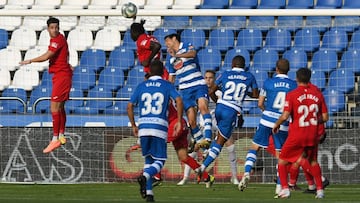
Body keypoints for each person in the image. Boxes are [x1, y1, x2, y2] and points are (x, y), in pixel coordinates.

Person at [196, 55, 259, 186]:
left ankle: (206, 149)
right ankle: (203, 167)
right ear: (244, 65)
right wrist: (243, 94)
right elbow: (255, 95)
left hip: (220, 108)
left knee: (219, 137)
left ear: (232, 64)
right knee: (220, 142)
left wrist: (217, 100)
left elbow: (212, 89)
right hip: (231, 112)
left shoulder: (226, 74)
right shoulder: (249, 76)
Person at [238, 59, 297, 194]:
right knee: (280, 155)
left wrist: (266, 112)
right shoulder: (293, 85)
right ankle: (279, 185)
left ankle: (246, 173)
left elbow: (259, 103)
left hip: (266, 119)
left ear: (276, 69)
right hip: (282, 122)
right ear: (288, 70)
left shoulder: (268, 82)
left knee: (255, 147)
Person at [127, 60, 183, 202]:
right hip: (159, 126)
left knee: (148, 159)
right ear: (162, 72)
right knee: (160, 160)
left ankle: (150, 194)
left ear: (149, 72)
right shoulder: (166, 85)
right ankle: (145, 177)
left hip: (143, 127)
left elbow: (129, 106)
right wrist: (178, 120)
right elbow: (179, 100)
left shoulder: (141, 86)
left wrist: (134, 125)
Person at [177, 70, 242, 185]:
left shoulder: (220, 92)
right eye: (206, 77)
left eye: (211, 78)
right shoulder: (199, 92)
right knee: (194, 149)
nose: (208, 80)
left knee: (231, 147)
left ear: (215, 79)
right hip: (204, 125)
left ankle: (234, 177)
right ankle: (186, 177)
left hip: (218, 123)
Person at [272, 68, 329, 199]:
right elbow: (325, 117)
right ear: (309, 78)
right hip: (312, 134)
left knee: (282, 160)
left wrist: (277, 124)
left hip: (297, 134)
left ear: (296, 79)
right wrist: (313, 119)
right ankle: (320, 190)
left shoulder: (292, 94)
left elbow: (285, 115)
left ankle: (285, 189)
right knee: (313, 161)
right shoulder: (318, 94)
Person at [19, 17, 72, 154]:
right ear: (48, 29)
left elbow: (47, 56)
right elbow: (67, 53)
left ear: (59, 28)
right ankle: (60, 135)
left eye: (56, 27)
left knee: (54, 106)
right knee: (60, 106)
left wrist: (30, 60)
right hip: (62, 74)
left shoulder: (57, 40)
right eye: (52, 28)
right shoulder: (60, 38)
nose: (54, 30)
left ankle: (54, 138)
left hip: (62, 76)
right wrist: (67, 62)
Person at [164, 33, 212, 149]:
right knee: (191, 120)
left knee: (203, 107)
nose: (167, 45)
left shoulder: (187, 46)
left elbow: (193, 53)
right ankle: (203, 146)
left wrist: (178, 55)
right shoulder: (170, 59)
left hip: (198, 84)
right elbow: (172, 78)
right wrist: (167, 93)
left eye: (167, 41)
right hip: (185, 89)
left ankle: (208, 137)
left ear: (174, 38)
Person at [129, 19, 169, 152]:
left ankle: (148, 137)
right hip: (155, 74)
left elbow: (156, 47)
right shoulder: (148, 37)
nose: (130, 35)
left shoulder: (141, 39)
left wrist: (148, 60)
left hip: (156, 74)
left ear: (135, 32)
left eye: (131, 32)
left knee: (151, 106)